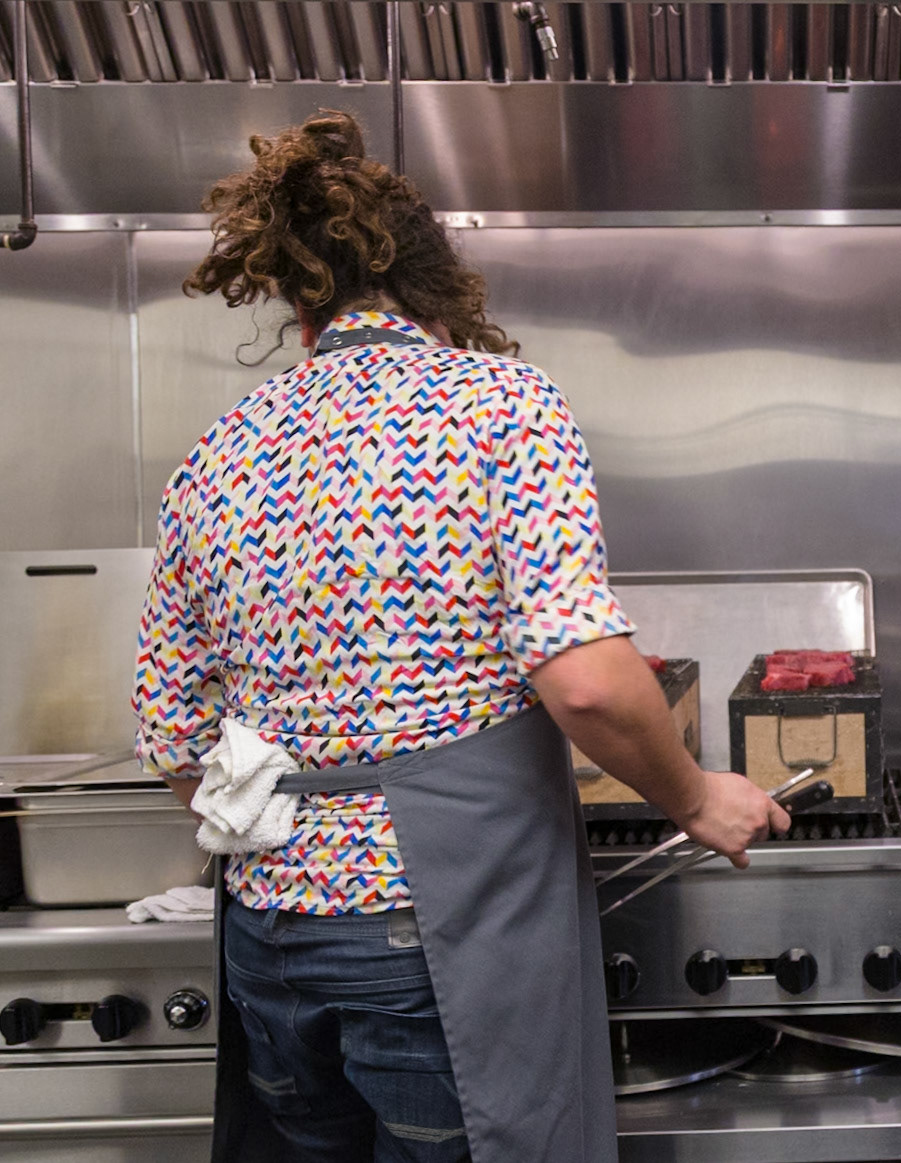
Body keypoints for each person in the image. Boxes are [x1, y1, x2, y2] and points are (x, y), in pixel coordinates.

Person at [132, 109, 789, 1163]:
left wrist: (302, 828)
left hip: (269, 946)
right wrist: (698, 795)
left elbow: (172, 741)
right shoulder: (500, 407)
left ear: (304, 311)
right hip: (440, 933)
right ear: (443, 293)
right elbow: (584, 682)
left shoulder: (218, 449)